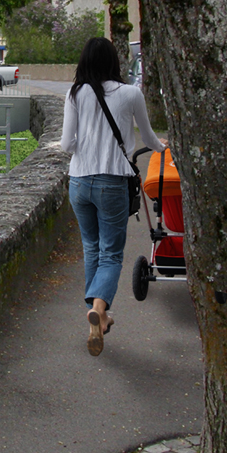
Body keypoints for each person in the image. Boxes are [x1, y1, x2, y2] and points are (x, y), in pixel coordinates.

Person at [60, 37, 166, 356]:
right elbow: (146, 136)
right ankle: (99, 306)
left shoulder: (75, 92)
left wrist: (88, 150)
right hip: (112, 182)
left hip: (78, 181)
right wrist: (162, 147)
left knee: (92, 247)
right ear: (113, 62)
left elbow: (66, 144)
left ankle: (99, 317)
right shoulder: (131, 93)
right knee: (111, 254)